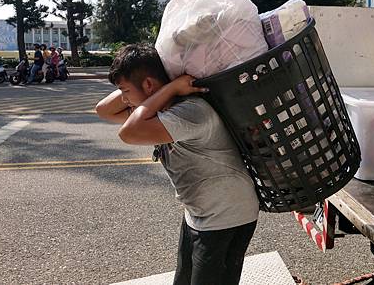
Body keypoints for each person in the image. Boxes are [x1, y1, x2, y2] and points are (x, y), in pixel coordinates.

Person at [95, 44, 259, 285]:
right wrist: (163, 88)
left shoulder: (191, 112)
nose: (124, 99)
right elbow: (103, 110)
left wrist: (170, 86)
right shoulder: (162, 111)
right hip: (199, 213)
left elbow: (128, 132)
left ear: (149, 85)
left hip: (227, 216)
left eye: (126, 91)